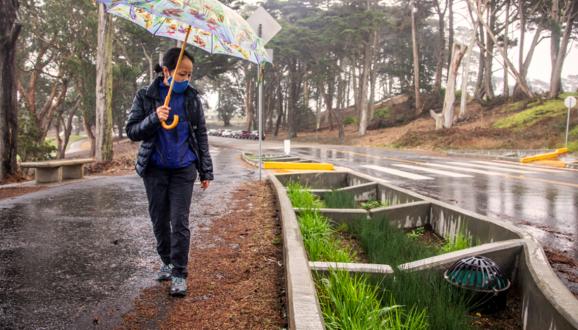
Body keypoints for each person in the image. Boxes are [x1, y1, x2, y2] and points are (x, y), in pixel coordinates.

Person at [125, 47, 213, 297]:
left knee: (180, 221)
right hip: (154, 169)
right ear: (166, 71)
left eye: (189, 74)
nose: (187, 79)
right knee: (159, 221)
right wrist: (154, 117)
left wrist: (206, 170)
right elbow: (131, 131)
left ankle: (179, 274)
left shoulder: (192, 99)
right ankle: (167, 261)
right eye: (182, 74)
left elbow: (201, 135)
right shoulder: (146, 95)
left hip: (183, 169)